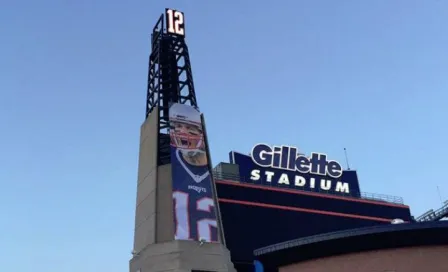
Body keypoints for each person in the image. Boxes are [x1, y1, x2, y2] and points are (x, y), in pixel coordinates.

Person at [169, 103, 218, 242]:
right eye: (178, 127)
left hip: (209, 249)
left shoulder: (208, 174)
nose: (183, 132)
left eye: (190, 129)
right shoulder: (173, 159)